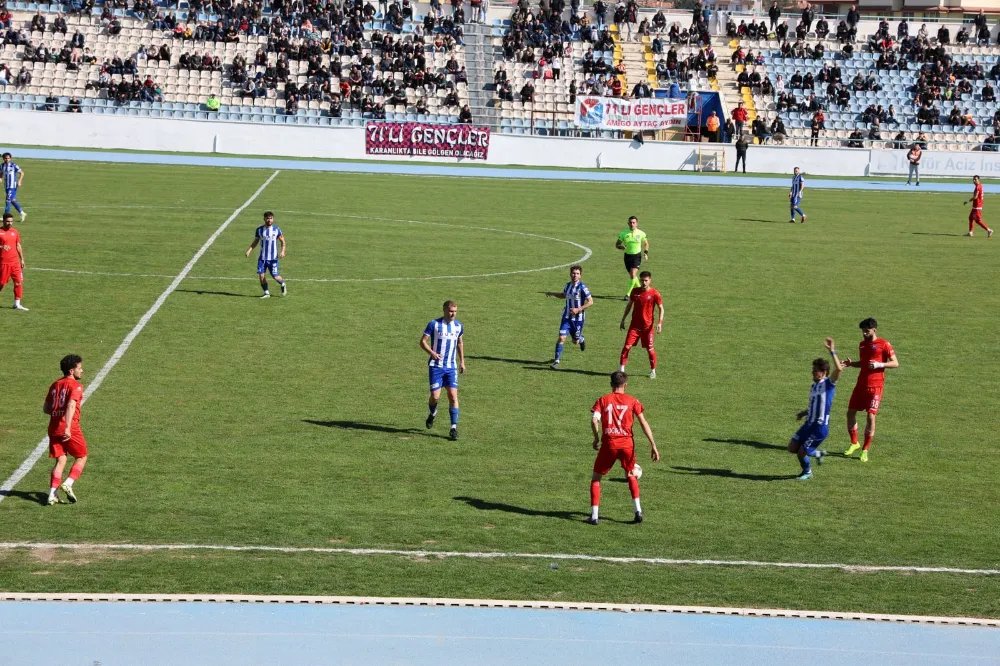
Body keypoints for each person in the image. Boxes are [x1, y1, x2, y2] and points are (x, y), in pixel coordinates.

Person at [587, 371, 660, 525]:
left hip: (609, 444)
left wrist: (596, 438)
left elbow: (594, 421)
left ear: (610, 384)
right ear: (625, 385)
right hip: (627, 445)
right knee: (630, 474)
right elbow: (643, 423)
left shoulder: (603, 400)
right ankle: (637, 511)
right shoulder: (632, 401)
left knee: (596, 478)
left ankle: (594, 516)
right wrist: (653, 444)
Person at [841, 318, 899, 463]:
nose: (864, 334)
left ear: (874, 330)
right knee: (850, 412)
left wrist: (879, 364)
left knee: (871, 416)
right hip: (861, 385)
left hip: (876, 386)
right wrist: (851, 364)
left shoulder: (884, 344)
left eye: (867, 331)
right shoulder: (862, 345)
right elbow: (864, 363)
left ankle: (865, 450)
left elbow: (895, 363)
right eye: (863, 331)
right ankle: (854, 443)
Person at [788, 338, 843, 480]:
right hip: (808, 424)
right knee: (792, 448)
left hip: (819, 427)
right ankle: (818, 454)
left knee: (801, 452)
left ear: (824, 372)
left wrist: (832, 351)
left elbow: (839, 369)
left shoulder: (829, 384)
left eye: (816, 371)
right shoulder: (813, 386)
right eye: (812, 370)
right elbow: (815, 405)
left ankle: (807, 472)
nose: (813, 373)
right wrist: (803, 413)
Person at [43, 354, 88, 505]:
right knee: (82, 456)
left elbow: (46, 408)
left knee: (61, 460)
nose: (81, 371)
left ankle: (52, 494)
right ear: (71, 371)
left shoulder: (55, 385)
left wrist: (57, 413)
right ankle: (68, 483)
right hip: (70, 428)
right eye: (79, 368)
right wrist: (67, 427)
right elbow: (70, 405)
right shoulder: (76, 386)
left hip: (53, 428)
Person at [420, 300, 465, 441]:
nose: (453, 314)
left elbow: (460, 343)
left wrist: (462, 361)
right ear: (444, 310)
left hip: (451, 367)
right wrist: (432, 353)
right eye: (451, 311)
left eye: (455, 311)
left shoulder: (458, 327)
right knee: (435, 396)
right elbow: (422, 341)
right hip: (436, 366)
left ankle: (453, 428)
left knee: (453, 396)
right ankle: (432, 414)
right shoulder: (434, 324)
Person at [546, 265, 593, 370]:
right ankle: (556, 361)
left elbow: (590, 302)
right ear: (570, 274)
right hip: (566, 317)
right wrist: (552, 293)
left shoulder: (583, 288)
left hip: (578, 319)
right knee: (562, 337)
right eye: (573, 273)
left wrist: (578, 309)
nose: (575, 275)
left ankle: (581, 339)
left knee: (575, 341)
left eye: (577, 274)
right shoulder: (568, 285)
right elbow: (564, 295)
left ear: (580, 275)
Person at [618, 271, 663, 379]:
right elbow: (629, 305)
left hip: (647, 328)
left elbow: (661, 308)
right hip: (634, 326)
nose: (644, 282)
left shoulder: (654, 293)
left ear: (650, 280)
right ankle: (621, 370)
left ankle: (653, 371)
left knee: (650, 350)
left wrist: (660, 323)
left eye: (646, 280)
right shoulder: (635, 291)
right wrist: (623, 319)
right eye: (642, 280)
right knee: (626, 347)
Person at [244, 211, 287, 298]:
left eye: (271, 218)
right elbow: (255, 242)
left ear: (273, 219)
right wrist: (249, 250)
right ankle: (266, 293)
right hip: (262, 258)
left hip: (273, 258)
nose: (269, 220)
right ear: (264, 219)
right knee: (261, 275)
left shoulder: (277, 230)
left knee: (275, 276)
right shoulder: (259, 230)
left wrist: (283, 251)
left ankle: (283, 284)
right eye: (267, 218)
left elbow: (283, 242)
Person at [615, 215, 648, 298]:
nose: (632, 224)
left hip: (636, 256)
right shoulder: (623, 233)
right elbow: (617, 244)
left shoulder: (641, 233)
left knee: (633, 274)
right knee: (632, 276)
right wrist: (620, 247)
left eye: (633, 222)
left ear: (637, 224)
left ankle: (628, 294)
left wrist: (645, 252)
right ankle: (641, 290)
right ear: (628, 223)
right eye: (630, 222)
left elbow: (646, 243)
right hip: (627, 257)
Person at [0, 212, 27, 310]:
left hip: (15, 262)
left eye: (11, 221)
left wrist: (22, 259)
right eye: (7, 221)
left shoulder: (15, 232)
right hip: (4, 263)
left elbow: (18, 245)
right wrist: (2, 246)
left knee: (18, 282)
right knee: (1, 284)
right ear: (3, 221)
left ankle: (17, 304)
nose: (10, 223)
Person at [1, 152, 25, 221]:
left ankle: (5, 218)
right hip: (6, 186)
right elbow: (1, 174)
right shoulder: (2, 166)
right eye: (6, 158)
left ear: (10, 158)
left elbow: (22, 173)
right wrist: (0, 178)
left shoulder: (14, 165)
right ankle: (22, 213)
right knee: (12, 201)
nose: (7, 159)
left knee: (7, 201)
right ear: (3, 159)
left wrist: (19, 181)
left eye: (8, 158)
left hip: (12, 186)